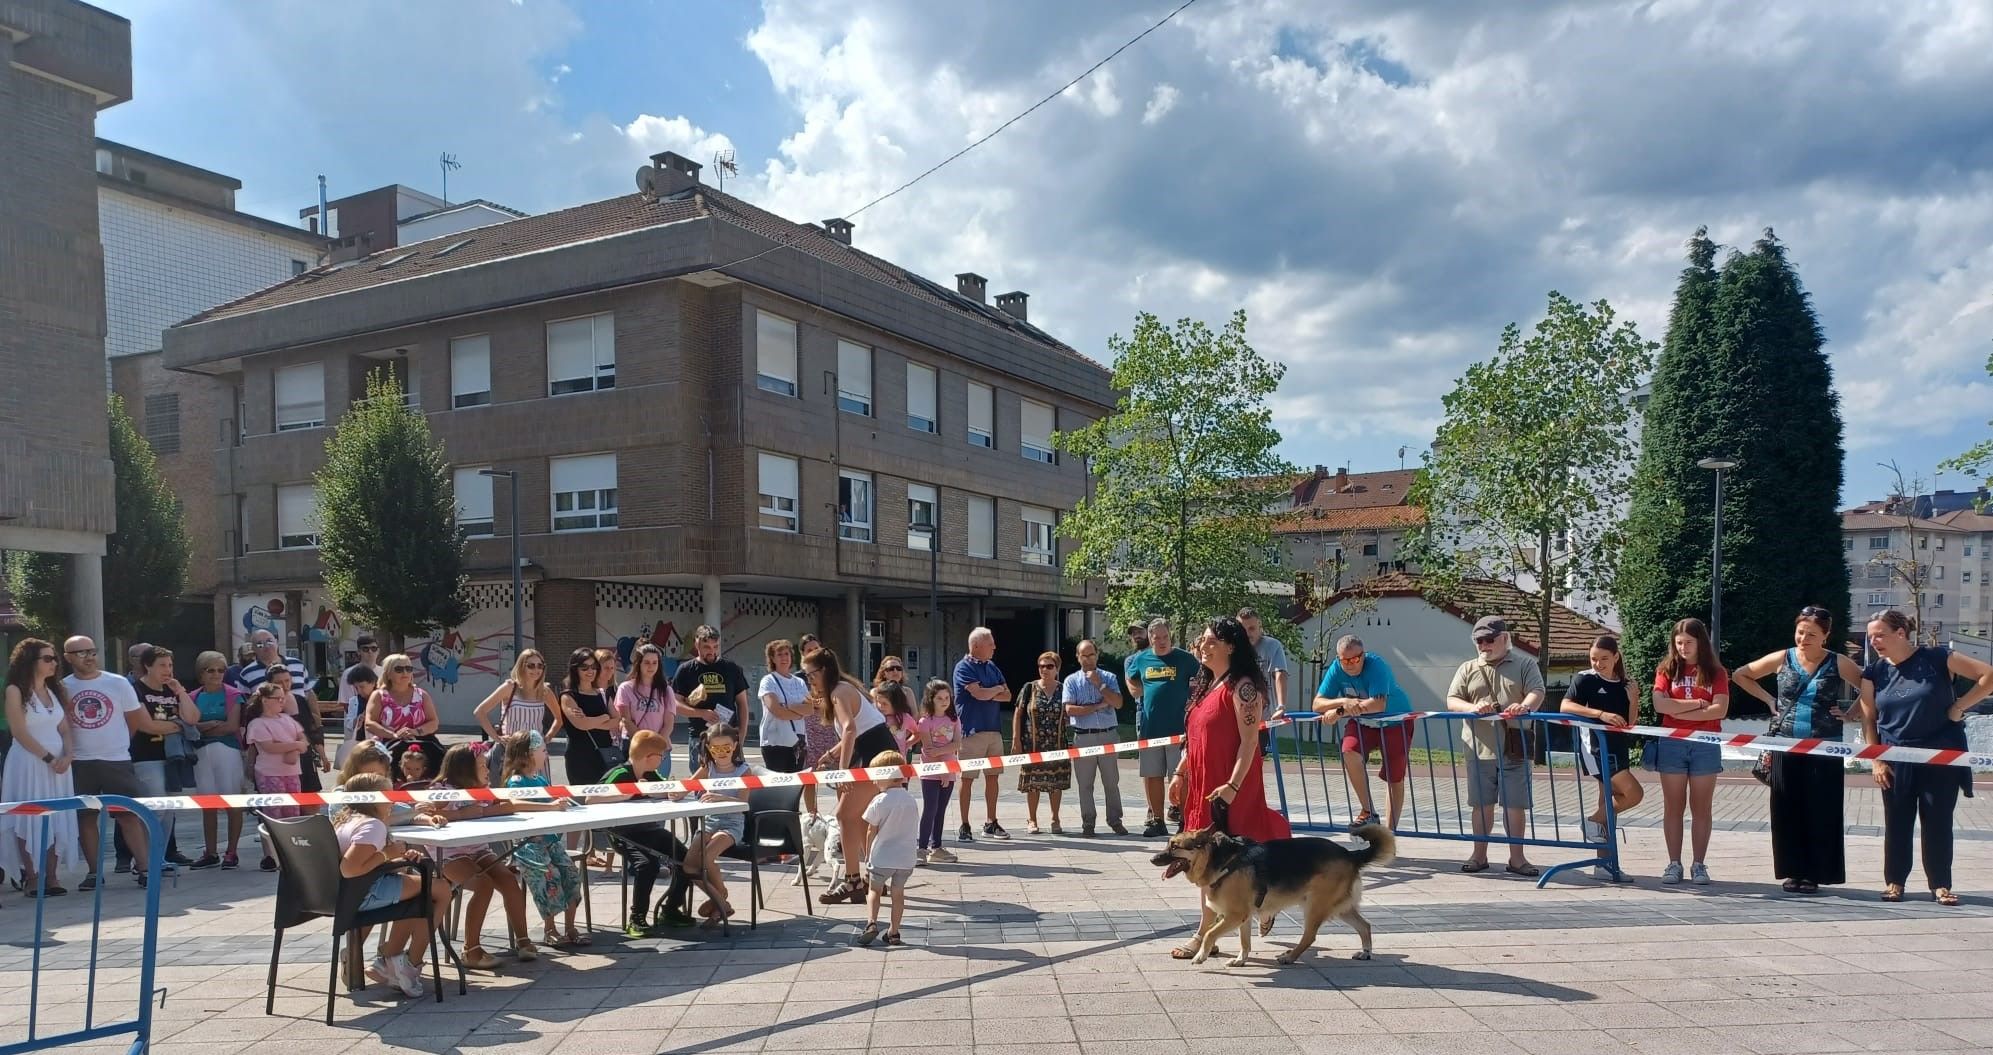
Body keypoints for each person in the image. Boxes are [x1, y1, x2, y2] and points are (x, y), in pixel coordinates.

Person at [1167, 616, 1291, 960]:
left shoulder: (1244, 686)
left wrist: (1233, 786)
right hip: (1202, 784)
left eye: (1210, 641)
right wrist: (1179, 774)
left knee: (1229, 856)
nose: (1202, 646)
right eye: (1202, 641)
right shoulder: (1206, 686)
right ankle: (1218, 927)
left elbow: (1249, 741)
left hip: (1231, 783)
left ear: (1230, 646)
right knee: (1205, 860)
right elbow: (1195, 742)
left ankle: (1206, 931)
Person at [1859, 609, 1993, 905]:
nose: (1874, 642)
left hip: (1940, 756)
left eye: (1880, 635)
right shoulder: (1874, 672)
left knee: (1938, 820)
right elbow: (1869, 719)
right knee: (1897, 822)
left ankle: (1941, 885)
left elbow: (1988, 676)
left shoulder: (1937, 658)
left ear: (1900, 633)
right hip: (1894, 756)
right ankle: (1895, 882)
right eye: (1871, 637)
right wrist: (1876, 760)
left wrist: (1960, 707)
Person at [1731, 608, 1863, 893]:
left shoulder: (1838, 662)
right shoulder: (1783, 658)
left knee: (1821, 810)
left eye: (1812, 634)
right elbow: (1741, 675)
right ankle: (1793, 871)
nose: (1804, 638)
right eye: (1800, 632)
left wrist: (1852, 713)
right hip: (1784, 745)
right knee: (1785, 808)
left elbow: (1870, 686)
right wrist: (1768, 699)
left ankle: (1816, 873)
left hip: (1824, 747)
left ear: (1826, 636)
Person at [432, 742, 559, 967]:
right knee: (483, 885)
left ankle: (523, 940)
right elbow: (425, 813)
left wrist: (550, 807)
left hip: (478, 849)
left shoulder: (484, 791)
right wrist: (462, 814)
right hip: (448, 854)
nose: (488, 770)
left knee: (510, 880)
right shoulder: (443, 791)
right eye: (482, 765)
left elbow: (510, 805)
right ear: (465, 769)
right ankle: (471, 950)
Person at [333, 772, 448, 998]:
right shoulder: (373, 825)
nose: (393, 800)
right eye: (387, 794)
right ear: (372, 799)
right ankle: (409, 964)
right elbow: (350, 868)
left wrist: (397, 858)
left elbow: (362, 863)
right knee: (441, 889)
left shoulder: (347, 820)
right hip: (364, 893)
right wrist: (387, 854)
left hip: (346, 893)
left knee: (424, 889)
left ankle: (391, 960)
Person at [1446, 616, 1545, 877]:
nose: (1483, 645)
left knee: (1515, 805)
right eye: (1479, 640)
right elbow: (1452, 700)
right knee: (1481, 804)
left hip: (1515, 747)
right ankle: (1478, 856)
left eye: (1489, 640)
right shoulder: (1467, 668)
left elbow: (1537, 691)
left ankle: (1517, 858)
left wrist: (1524, 706)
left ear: (1504, 638)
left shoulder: (1525, 664)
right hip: (1478, 748)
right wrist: (1472, 708)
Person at [61, 636, 158, 889]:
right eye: (81, 652)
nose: (89, 657)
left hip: (116, 759)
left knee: (128, 815)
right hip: (80, 762)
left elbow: (134, 720)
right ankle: (94, 872)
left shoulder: (117, 683)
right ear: (68, 657)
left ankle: (145, 867)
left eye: (92, 651)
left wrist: (119, 743)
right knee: (85, 818)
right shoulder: (62, 687)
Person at [810, 647, 898, 905]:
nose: (809, 680)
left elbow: (850, 730)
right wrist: (832, 753)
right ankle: (871, 878)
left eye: (811, 674)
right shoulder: (843, 689)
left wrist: (843, 769)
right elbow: (859, 730)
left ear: (824, 671)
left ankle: (853, 881)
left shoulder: (838, 692)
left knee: (843, 815)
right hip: (873, 750)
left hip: (874, 754)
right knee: (857, 818)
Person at [1647, 617, 1729, 884]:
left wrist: (1679, 706)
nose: (1683, 647)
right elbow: (1660, 706)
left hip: (1705, 743)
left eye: (1688, 643)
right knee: (1673, 805)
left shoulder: (1716, 673)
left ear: (1700, 643)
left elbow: (1720, 710)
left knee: (1701, 807)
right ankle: (1673, 863)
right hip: (1672, 742)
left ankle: (1699, 864)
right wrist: (1698, 704)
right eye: (1679, 642)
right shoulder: (1666, 670)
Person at [1559, 635, 1645, 881]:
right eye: (1594, 659)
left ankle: (1603, 862)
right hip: (1596, 748)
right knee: (1634, 793)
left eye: (1604, 659)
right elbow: (1565, 706)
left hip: (1619, 748)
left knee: (1608, 800)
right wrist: (1600, 714)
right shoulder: (1584, 679)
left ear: (1616, 657)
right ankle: (1591, 823)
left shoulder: (1625, 683)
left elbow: (1630, 722)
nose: (1598, 664)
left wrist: (1634, 698)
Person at [596, 729, 695, 935]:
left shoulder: (651, 774)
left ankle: (670, 909)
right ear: (650, 757)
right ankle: (637, 918)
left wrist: (670, 792)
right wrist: (629, 792)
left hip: (649, 830)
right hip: (622, 833)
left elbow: (665, 788)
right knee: (647, 865)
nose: (662, 760)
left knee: (687, 861)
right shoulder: (620, 773)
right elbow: (592, 798)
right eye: (661, 756)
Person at [1313, 635, 1414, 830]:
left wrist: (1339, 711)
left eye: (1355, 659)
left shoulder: (1377, 665)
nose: (1349, 665)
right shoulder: (1336, 668)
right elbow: (1318, 703)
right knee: (1349, 751)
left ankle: (1390, 833)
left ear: (1363, 655)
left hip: (1395, 721)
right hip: (1363, 722)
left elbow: (1378, 703)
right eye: (1344, 660)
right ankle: (1368, 811)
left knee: (1395, 777)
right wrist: (1342, 702)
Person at [2, 639, 78, 895]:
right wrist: (49, 758)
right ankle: (32, 877)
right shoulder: (15, 690)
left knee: (56, 816)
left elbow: (64, 727)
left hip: (59, 765)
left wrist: (67, 755)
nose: (53, 663)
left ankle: (52, 877)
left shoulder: (55, 689)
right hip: (29, 762)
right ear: (30, 661)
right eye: (47, 658)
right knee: (28, 817)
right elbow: (19, 731)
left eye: (54, 658)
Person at [500, 731, 588, 947]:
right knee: (549, 876)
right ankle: (550, 929)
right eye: (542, 750)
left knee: (570, 874)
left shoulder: (539, 778)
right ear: (528, 754)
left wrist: (559, 801)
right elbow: (514, 804)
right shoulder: (516, 781)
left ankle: (570, 927)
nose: (546, 754)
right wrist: (548, 806)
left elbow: (551, 801)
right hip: (528, 843)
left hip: (549, 840)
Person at [677, 724, 758, 928]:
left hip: (732, 823)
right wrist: (677, 792)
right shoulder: (708, 768)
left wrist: (720, 797)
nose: (721, 753)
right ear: (709, 748)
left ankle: (720, 897)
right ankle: (721, 901)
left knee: (706, 857)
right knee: (688, 865)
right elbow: (689, 784)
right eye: (716, 749)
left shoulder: (743, 771)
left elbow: (743, 803)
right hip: (709, 821)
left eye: (726, 748)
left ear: (735, 746)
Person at [1127, 618, 1200, 838]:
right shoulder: (1141, 660)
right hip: (1150, 730)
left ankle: (1185, 820)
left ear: (1171, 636)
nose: (1161, 641)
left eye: (1165, 637)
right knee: (1152, 775)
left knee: (1181, 776)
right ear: (1150, 638)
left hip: (1179, 730)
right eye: (1156, 637)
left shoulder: (1186, 660)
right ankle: (1157, 819)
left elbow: (1202, 681)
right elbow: (1132, 681)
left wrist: (1193, 701)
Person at [130, 646, 200, 867]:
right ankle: (144, 861)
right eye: (161, 665)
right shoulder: (136, 690)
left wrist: (180, 692)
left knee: (169, 810)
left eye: (170, 665)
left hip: (173, 758)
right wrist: (178, 726)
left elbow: (192, 718)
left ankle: (158, 858)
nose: (167, 670)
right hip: (146, 756)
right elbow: (147, 725)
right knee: (156, 809)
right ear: (147, 666)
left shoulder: (172, 690)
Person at [187, 651, 249, 869]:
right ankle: (210, 851)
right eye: (210, 670)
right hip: (201, 755)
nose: (216, 674)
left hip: (228, 752)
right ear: (200, 673)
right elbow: (189, 726)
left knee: (233, 803)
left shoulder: (233, 695)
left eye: (221, 670)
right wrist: (208, 726)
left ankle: (231, 852)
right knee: (207, 804)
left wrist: (203, 727)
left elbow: (231, 726)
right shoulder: (192, 696)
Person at [951, 627, 1013, 842]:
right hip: (971, 731)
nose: (994, 647)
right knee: (967, 779)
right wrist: (994, 690)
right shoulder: (963, 667)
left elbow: (1008, 696)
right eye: (990, 643)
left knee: (993, 777)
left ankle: (991, 822)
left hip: (993, 730)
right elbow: (979, 694)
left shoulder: (992, 666)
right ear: (976, 646)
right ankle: (964, 824)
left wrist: (991, 691)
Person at [1063, 639, 1126, 838]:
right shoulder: (1071, 681)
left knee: (1111, 781)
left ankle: (1115, 820)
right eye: (1084, 655)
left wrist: (1100, 685)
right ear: (1078, 657)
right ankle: (1088, 822)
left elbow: (1117, 703)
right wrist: (1097, 707)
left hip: (1108, 734)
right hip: (1083, 737)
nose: (1088, 659)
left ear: (1097, 655)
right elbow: (1069, 709)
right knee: (1085, 784)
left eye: (1091, 655)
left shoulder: (1109, 677)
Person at [857, 749, 919, 947]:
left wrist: (867, 854)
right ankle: (893, 932)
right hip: (906, 857)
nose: (874, 781)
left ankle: (871, 923)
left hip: (882, 856)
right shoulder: (910, 800)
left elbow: (870, 830)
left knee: (874, 890)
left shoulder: (880, 800)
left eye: (876, 776)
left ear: (886, 776)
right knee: (898, 893)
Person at [671, 625, 750, 775]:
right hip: (700, 738)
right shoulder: (685, 670)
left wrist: (742, 734)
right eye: (706, 647)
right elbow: (675, 703)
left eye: (716, 646)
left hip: (729, 738)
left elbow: (742, 704)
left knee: (734, 783)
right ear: (696, 645)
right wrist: (701, 713)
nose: (712, 651)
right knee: (701, 787)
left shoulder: (731, 668)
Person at [1013, 651, 1072, 835]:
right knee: (1033, 783)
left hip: (1057, 744)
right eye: (1041, 666)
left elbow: (1071, 712)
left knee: (1055, 783)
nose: (1044, 669)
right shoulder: (1029, 688)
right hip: (1033, 744)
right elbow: (1018, 713)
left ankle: (1055, 818)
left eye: (1049, 666)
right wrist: (1016, 740)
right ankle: (1032, 819)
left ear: (1057, 668)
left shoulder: (1064, 689)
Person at [909, 680, 961, 864]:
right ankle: (921, 848)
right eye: (940, 698)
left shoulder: (954, 719)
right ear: (931, 699)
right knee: (930, 808)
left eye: (947, 697)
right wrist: (942, 764)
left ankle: (936, 846)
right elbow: (928, 749)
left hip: (950, 770)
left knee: (941, 809)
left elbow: (957, 743)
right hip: (931, 771)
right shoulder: (925, 722)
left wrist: (946, 765)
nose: (944, 701)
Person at [555, 647, 618, 788]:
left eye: (593, 667)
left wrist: (591, 721)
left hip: (604, 754)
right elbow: (581, 725)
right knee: (584, 800)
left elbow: (616, 721)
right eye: (584, 668)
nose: (590, 671)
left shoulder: (602, 693)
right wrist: (604, 717)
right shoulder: (568, 696)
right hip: (580, 757)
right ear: (575, 669)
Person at [364, 654, 441, 768]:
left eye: (408, 669)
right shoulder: (379, 695)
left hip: (422, 744)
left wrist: (415, 732)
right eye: (399, 669)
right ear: (388, 674)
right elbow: (369, 723)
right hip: (388, 744)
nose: (405, 673)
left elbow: (433, 722)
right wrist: (394, 735)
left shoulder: (421, 695)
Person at [475, 649, 563, 747]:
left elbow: (559, 718)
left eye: (540, 666)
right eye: (531, 666)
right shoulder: (510, 687)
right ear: (521, 667)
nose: (536, 670)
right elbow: (480, 712)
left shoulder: (545, 691)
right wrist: (497, 738)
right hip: (511, 750)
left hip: (535, 751)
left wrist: (547, 738)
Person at [615, 645, 676, 770]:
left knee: (658, 788)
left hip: (660, 749)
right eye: (647, 662)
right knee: (634, 788)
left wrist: (655, 746)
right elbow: (626, 720)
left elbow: (669, 724)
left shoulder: (666, 690)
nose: (651, 666)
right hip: (635, 747)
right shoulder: (625, 688)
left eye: (655, 663)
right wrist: (644, 744)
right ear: (638, 664)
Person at [757, 639, 811, 776]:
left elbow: (810, 709)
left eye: (786, 654)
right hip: (775, 742)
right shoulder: (768, 681)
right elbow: (778, 712)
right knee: (778, 786)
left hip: (798, 741)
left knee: (795, 785)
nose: (784, 658)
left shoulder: (799, 682)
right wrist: (799, 712)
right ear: (772, 659)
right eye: (779, 654)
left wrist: (790, 706)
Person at [1239, 607, 1290, 723]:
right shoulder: (1232, 649)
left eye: (1252, 628)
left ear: (1259, 627)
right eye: (1243, 629)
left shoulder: (1272, 646)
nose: (1247, 634)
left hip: (1264, 717)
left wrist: (1281, 706)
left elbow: (1279, 673)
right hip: (1238, 716)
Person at [238, 630, 310, 694]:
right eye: (260, 644)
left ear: (276, 642)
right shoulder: (246, 674)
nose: (266, 646)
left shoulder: (298, 664)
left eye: (269, 641)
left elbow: (309, 693)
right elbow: (245, 704)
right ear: (254, 649)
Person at [875, 681, 918, 756]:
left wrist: (907, 744)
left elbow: (918, 733)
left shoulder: (905, 718)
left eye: (885, 703)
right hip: (879, 760)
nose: (880, 706)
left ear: (895, 703)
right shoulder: (876, 717)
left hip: (898, 760)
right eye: (878, 702)